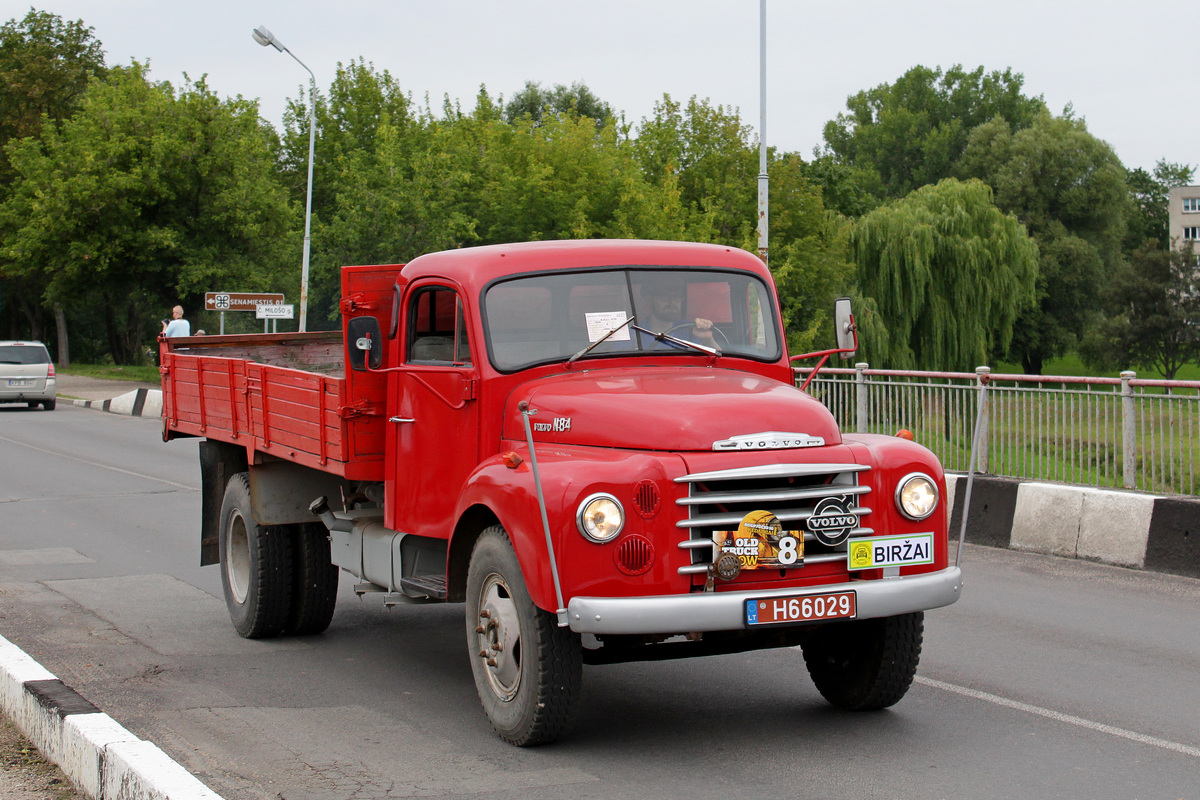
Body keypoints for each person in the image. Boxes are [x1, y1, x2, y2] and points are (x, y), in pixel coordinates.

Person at [637, 277, 716, 349]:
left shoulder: (690, 329)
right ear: (649, 299)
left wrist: (708, 340)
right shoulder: (636, 334)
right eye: (665, 297)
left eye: (677, 296)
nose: (672, 302)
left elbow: (718, 358)